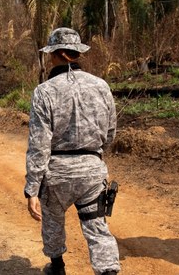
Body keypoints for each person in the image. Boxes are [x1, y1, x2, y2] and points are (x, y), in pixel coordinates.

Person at [24, 27, 120, 275]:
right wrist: (92, 157)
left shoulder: (44, 92)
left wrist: (32, 189)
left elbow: (39, 145)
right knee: (96, 226)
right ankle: (108, 271)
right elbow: (110, 134)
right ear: (77, 53)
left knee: (53, 222)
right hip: (91, 171)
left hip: (57, 174)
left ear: (54, 54)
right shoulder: (101, 86)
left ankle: (57, 268)